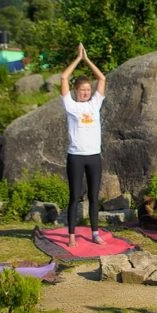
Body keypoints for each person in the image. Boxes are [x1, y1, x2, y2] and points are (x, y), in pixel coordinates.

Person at [60, 43, 107, 248]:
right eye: (82, 90)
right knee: (74, 196)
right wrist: (77, 60)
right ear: (76, 91)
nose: (86, 93)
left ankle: (95, 232)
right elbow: (63, 78)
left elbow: (102, 79)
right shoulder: (71, 105)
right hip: (76, 156)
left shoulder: (95, 104)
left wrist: (87, 60)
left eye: (88, 90)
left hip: (94, 156)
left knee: (94, 197)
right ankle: (71, 234)